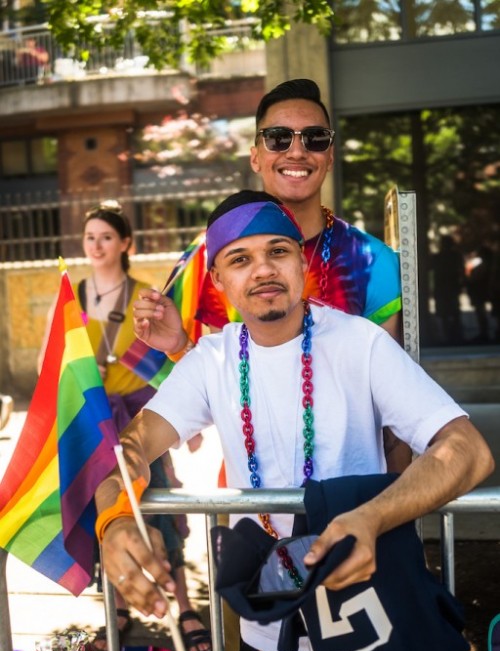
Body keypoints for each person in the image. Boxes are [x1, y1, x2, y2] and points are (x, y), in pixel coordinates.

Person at [94, 191, 493, 651]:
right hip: (269, 639)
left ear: (302, 264)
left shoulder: (361, 343)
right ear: (219, 282)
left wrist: (372, 518)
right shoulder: (211, 360)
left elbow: (468, 449)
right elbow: (132, 447)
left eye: (278, 251)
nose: (262, 269)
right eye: (240, 258)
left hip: (374, 621)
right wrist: (114, 520)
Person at [134, 78, 410, 473]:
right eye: (278, 138)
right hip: (254, 498)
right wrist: (179, 344)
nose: (297, 150)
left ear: (329, 155)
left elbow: (393, 413)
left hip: (355, 499)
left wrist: (393, 513)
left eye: (315, 138)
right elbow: (212, 385)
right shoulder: (212, 258)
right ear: (255, 156)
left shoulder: (372, 262)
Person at [38, 200, 211, 651]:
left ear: (125, 244)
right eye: (90, 237)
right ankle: (115, 604)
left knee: (155, 503)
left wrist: (187, 422)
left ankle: (186, 605)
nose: (96, 245)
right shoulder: (72, 296)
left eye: (106, 237)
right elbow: (50, 359)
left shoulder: (146, 296)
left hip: (141, 420)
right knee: (105, 510)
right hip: (95, 424)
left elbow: (164, 362)